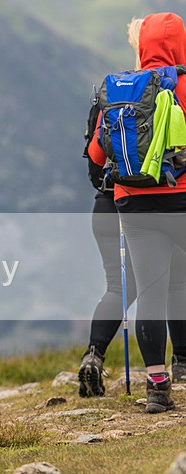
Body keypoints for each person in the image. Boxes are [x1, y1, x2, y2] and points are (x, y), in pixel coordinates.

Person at [78, 17, 186, 398]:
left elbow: (94, 154)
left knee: (151, 292)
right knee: (179, 286)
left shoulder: (122, 91)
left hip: (133, 205)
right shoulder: (183, 85)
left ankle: (157, 387)